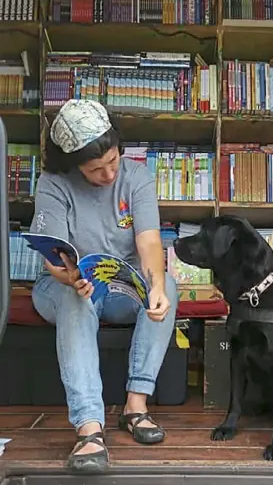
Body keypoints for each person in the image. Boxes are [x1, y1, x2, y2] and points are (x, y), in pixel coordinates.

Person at [30, 99, 178, 473]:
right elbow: (54, 256)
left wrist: (156, 285)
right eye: (96, 169)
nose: (109, 174)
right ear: (72, 165)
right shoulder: (52, 183)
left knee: (169, 288)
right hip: (62, 286)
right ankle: (89, 427)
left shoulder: (137, 177)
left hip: (119, 286)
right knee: (75, 298)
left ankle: (136, 406)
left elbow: (147, 241)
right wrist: (71, 277)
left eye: (113, 161)